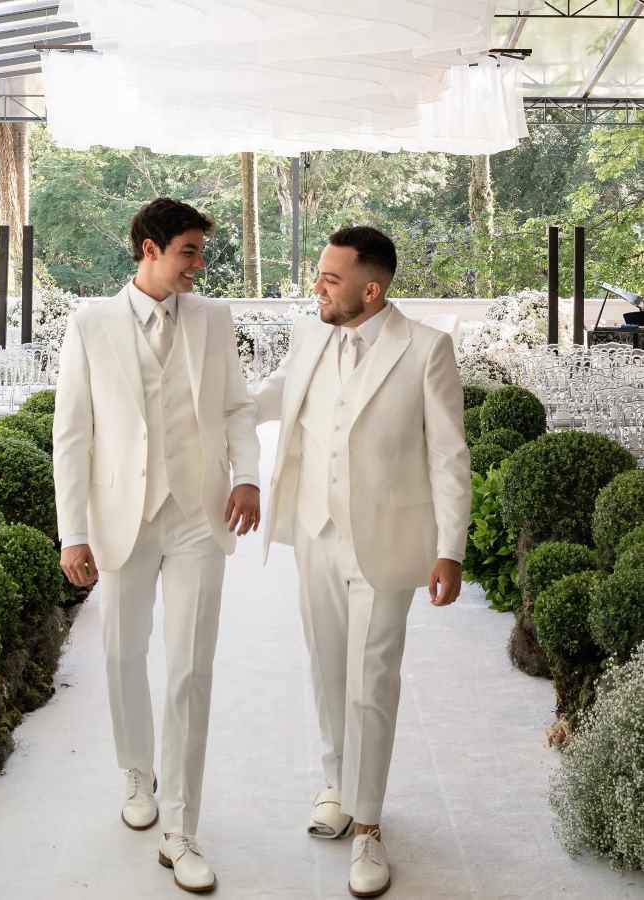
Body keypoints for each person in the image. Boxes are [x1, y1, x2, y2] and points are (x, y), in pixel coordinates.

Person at [252, 226, 471, 898]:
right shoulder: (309, 335)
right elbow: (268, 400)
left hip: (385, 540)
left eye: (330, 277)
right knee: (327, 667)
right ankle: (338, 787)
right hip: (315, 531)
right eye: (319, 273)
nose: (317, 285)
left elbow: (448, 456)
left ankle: (370, 826)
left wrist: (449, 550)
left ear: (370, 289)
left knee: (371, 680)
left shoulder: (426, 349)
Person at [53, 197, 260, 895]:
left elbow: (236, 406)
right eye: (189, 252)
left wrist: (250, 477)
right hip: (122, 517)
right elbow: (73, 434)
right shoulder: (90, 324)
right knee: (121, 652)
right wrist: (72, 532)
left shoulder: (213, 320)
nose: (200, 265)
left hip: (199, 513)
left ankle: (181, 828)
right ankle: (137, 773)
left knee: (190, 670)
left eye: (201, 252)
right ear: (149, 249)